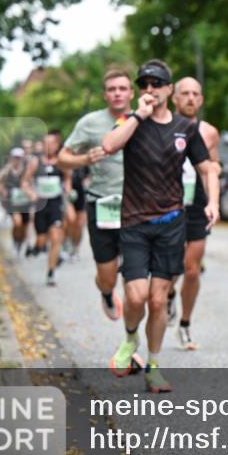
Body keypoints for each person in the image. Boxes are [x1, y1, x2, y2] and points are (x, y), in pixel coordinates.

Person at [101, 60, 219, 394]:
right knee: (136, 297)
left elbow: (207, 167)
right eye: (145, 85)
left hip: (171, 224)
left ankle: (153, 366)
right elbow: (110, 145)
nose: (150, 90)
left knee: (157, 300)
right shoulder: (130, 120)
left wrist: (213, 202)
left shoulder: (186, 127)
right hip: (135, 223)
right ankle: (129, 338)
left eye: (157, 84)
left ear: (169, 90)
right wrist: (138, 114)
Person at [59, 68, 135, 321]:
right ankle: (106, 291)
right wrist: (84, 158)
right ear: (105, 95)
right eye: (112, 89)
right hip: (101, 203)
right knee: (107, 275)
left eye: (122, 88)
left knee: (135, 277)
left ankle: (133, 321)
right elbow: (62, 158)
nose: (117, 94)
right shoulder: (89, 123)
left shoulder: (141, 119)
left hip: (136, 206)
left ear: (131, 93)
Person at [167, 76, 222, 350]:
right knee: (171, 266)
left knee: (192, 269)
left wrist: (214, 202)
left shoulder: (209, 132)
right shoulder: (164, 127)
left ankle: (185, 324)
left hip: (197, 204)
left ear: (201, 99)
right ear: (174, 98)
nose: (190, 98)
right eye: (184, 93)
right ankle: (167, 294)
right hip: (168, 203)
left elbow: (213, 169)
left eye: (195, 94)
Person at [24, 131, 70, 286]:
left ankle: (51, 273)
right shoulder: (35, 162)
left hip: (55, 203)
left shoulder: (61, 162)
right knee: (42, 240)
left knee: (56, 237)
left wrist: (67, 189)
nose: (49, 147)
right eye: (46, 144)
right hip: (40, 205)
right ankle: (37, 247)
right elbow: (25, 182)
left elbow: (67, 178)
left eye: (52, 143)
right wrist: (31, 193)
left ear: (57, 145)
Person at [0, 148, 32, 257]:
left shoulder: (27, 170)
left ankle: (20, 243)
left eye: (19, 158)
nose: (17, 160)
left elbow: (33, 182)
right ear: (11, 158)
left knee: (24, 227)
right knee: (17, 223)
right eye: (15, 157)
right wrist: (3, 191)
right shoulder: (7, 170)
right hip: (13, 202)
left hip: (25, 202)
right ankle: (15, 242)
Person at [64, 165, 88, 260]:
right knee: (71, 219)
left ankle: (75, 248)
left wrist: (87, 182)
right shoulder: (66, 155)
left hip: (82, 195)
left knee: (80, 224)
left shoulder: (85, 158)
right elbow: (65, 178)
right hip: (68, 195)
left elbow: (89, 175)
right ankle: (67, 242)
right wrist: (68, 191)